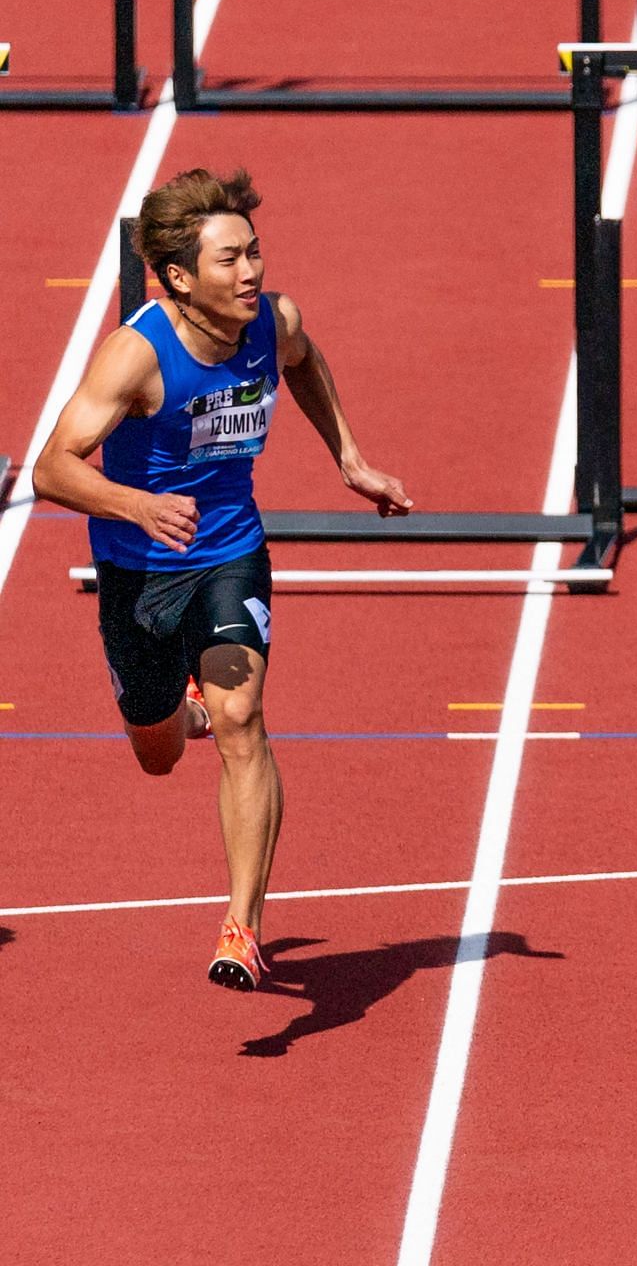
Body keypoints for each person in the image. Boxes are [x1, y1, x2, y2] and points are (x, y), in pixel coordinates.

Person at [34, 168, 412, 991]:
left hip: (230, 546)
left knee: (244, 716)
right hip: (140, 566)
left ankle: (242, 926)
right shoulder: (135, 355)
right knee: (158, 751)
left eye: (255, 253)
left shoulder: (273, 324)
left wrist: (348, 456)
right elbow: (51, 469)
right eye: (230, 259)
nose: (252, 273)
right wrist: (135, 504)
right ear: (178, 277)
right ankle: (182, 708)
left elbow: (305, 363)